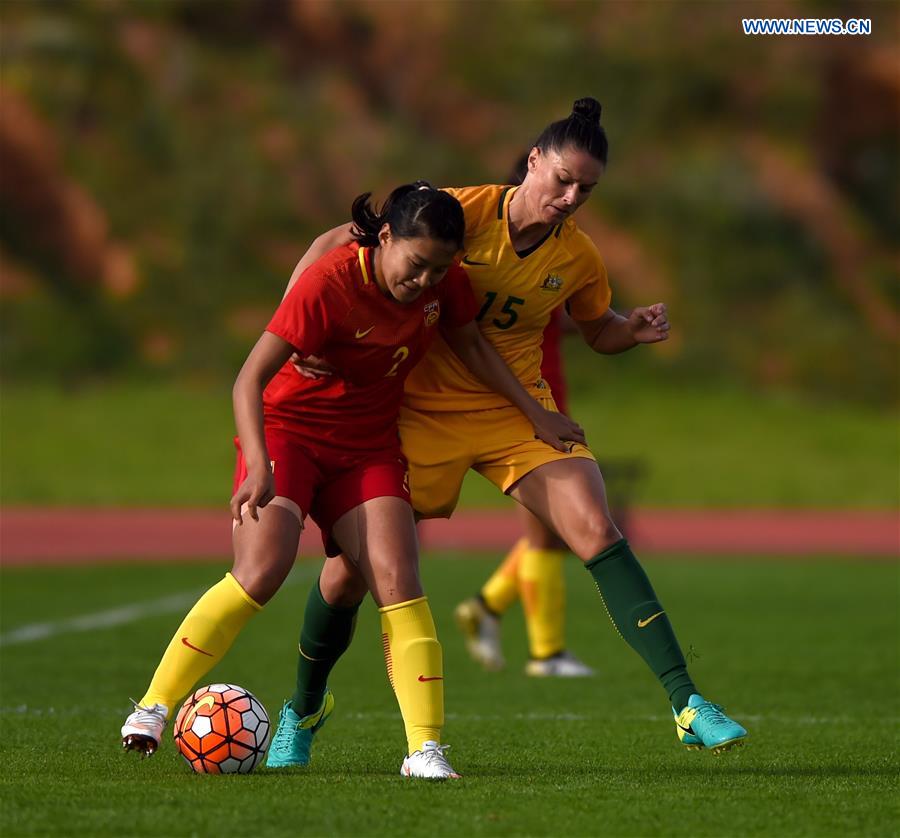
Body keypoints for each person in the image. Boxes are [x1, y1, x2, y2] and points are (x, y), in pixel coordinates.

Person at [274, 98, 747, 766]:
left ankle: (686, 702)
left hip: (515, 411)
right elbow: (333, 245)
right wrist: (296, 327)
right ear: (533, 160)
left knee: (594, 524)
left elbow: (598, 326)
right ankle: (303, 707)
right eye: (562, 178)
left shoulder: (578, 257)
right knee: (349, 576)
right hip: (411, 412)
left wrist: (629, 330)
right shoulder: (455, 212)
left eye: (585, 189)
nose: (571, 196)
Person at [120, 182, 582, 780]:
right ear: (386, 237)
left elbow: (474, 348)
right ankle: (154, 706)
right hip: (291, 432)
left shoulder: (444, 285)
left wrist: (534, 411)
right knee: (262, 570)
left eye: (439, 271)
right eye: (416, 266)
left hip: (368, 447)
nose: (424, 282)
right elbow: (247, 381)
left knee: (400, 580)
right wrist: (259, 463)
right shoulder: (330, 282)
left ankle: (424, 751)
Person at [454, 156, 593, 677]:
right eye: (560, 184)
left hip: (548, 400)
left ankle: (488, 606)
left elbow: (584, 317)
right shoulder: (488, 244)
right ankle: (546, 652)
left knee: (555, 530)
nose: (567, 201)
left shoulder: (562, 254)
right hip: (513, 404)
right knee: (545, 532)